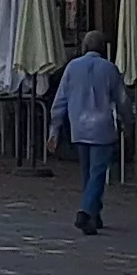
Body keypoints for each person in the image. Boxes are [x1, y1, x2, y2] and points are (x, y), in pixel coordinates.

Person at [54, 32, 123, 233]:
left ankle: (94, 216)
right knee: (98, 173)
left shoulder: (71, 67)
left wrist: (54, 128)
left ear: (83, 47)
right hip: (102, 127)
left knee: (88, 173)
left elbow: (60, 100)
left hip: (79, 127)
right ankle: (85, 211)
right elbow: (122, 100)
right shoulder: (110, 69)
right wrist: (128, 122)